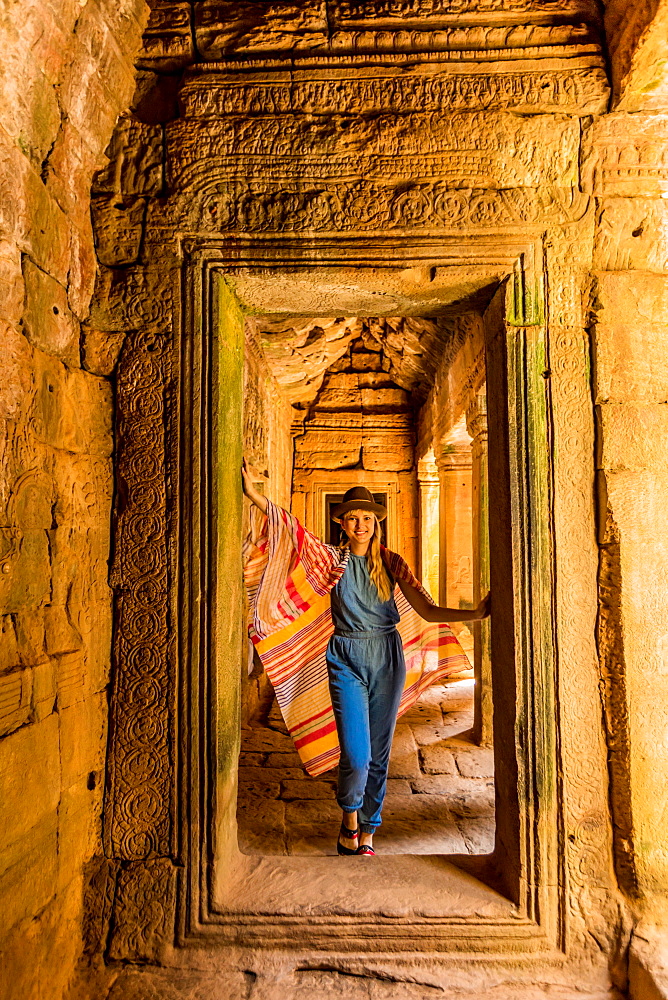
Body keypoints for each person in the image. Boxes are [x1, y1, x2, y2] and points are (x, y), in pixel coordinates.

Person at [242, 463, 490, 857]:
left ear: (377, 522)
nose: (361, 525)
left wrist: (474, 613)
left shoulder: (391, 563)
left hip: (387, 657)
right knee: (356, 754)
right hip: (344, 656)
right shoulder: (330, 562)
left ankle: (369, 830)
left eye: (367, 517)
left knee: (379, 750)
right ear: (342, 524)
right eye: (353, 518)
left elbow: (427, 610)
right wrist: (255, 496)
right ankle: (349, 819)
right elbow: (292, 534)